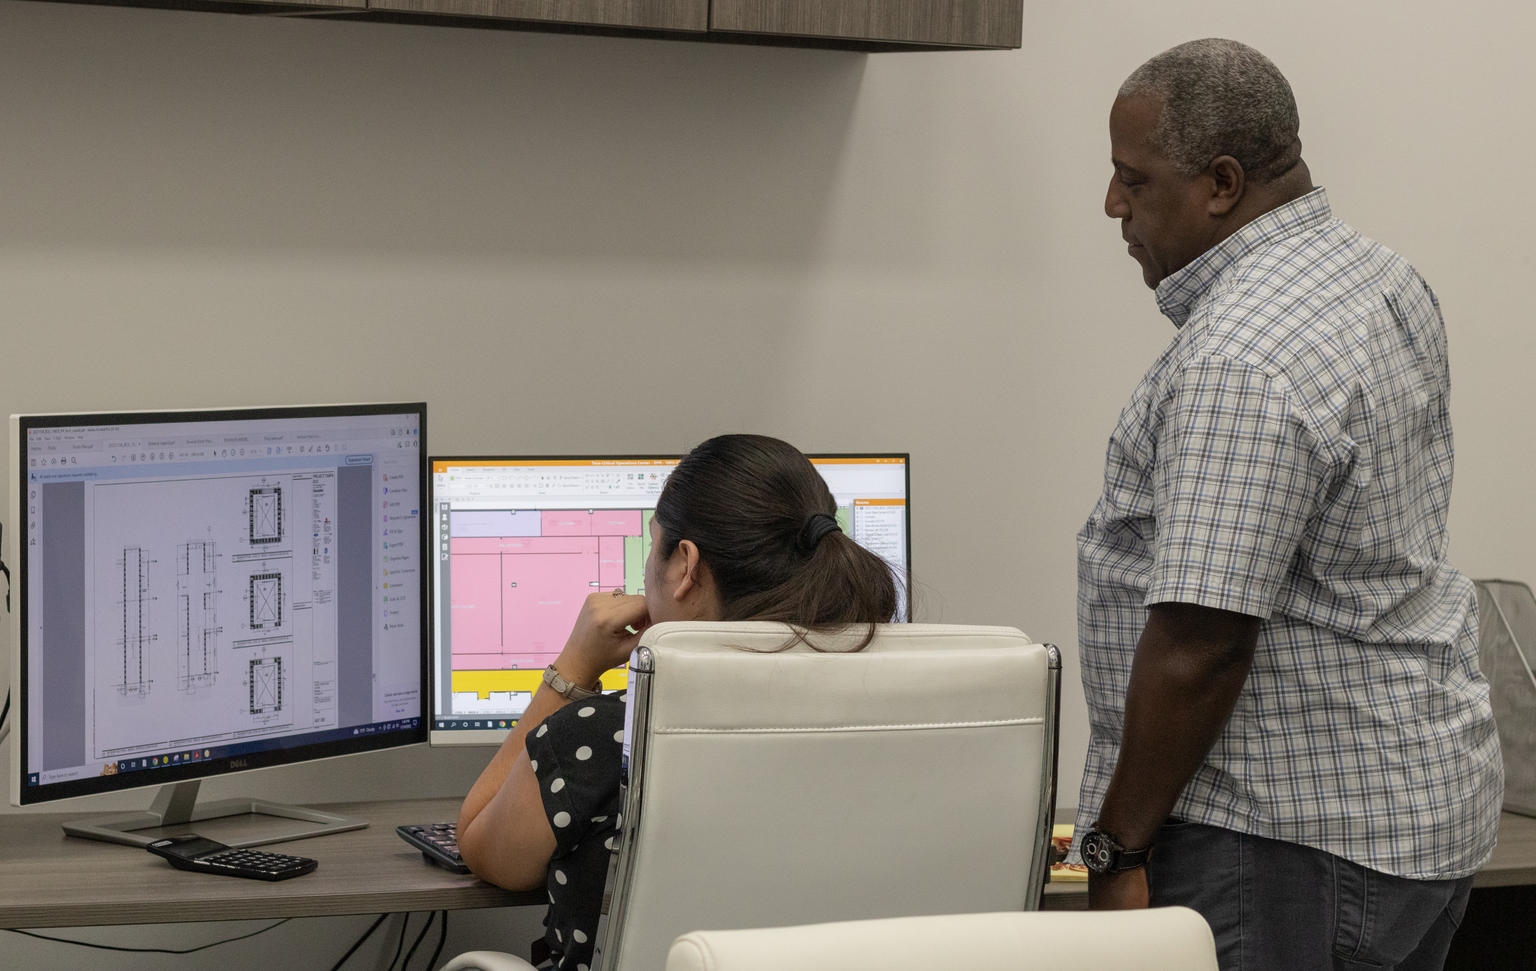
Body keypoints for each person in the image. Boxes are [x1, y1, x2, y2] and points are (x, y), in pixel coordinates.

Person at [1074, 38, 1503, 970]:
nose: (1113, 205)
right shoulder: (1377, 276)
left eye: (1132, 180)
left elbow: (1202, 639)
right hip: (1408, 811)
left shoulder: (1243, 353)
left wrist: (1115, 848)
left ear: (1221, 183)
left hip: (1278, 839)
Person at [457, 434, 900, 971]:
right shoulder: (901, 716)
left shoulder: (614, 733)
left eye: (653, 545)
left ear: (686, 565)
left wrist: (572, 669)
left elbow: (481, 844)